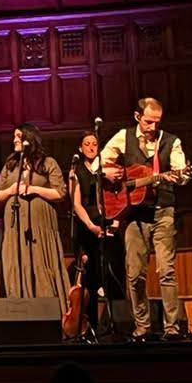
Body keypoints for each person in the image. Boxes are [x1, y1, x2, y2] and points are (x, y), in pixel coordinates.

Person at [101, 96, 187, 339]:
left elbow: (181, 172)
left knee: (166, 271)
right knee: (135, 273)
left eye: (157, 122)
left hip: (163, 211)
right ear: (137, 117)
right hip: (134, 213)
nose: (153, 127)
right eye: (148, 122)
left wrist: (180, 176)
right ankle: (142, 326)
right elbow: (99, 164)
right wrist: (108, 172)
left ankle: (172, 328)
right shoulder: (123, 136)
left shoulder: (172, 141)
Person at [0, 125, 69, 313]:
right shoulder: (11, 164)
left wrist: (33, 189)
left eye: (18, 136)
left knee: (41, 264)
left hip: (40, 226)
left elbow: (60, 193)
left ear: (29, 139)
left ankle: (49, 310)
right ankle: (20, 311)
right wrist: (11, 191)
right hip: (15, 226)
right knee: (17, 261)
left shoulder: (48, 163)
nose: (14, 140)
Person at [67, 130, 110, 332]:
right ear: (80, 148)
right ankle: (89, 324)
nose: (91, 147)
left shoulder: (105, 168)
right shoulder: (76, 171)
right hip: (86, 227)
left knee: (108, 273)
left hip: (106, 223)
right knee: (89, 278)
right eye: (87, 144)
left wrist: (113, 222)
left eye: (94, 144)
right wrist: (92, 227)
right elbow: (76, 204)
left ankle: (109, 324)